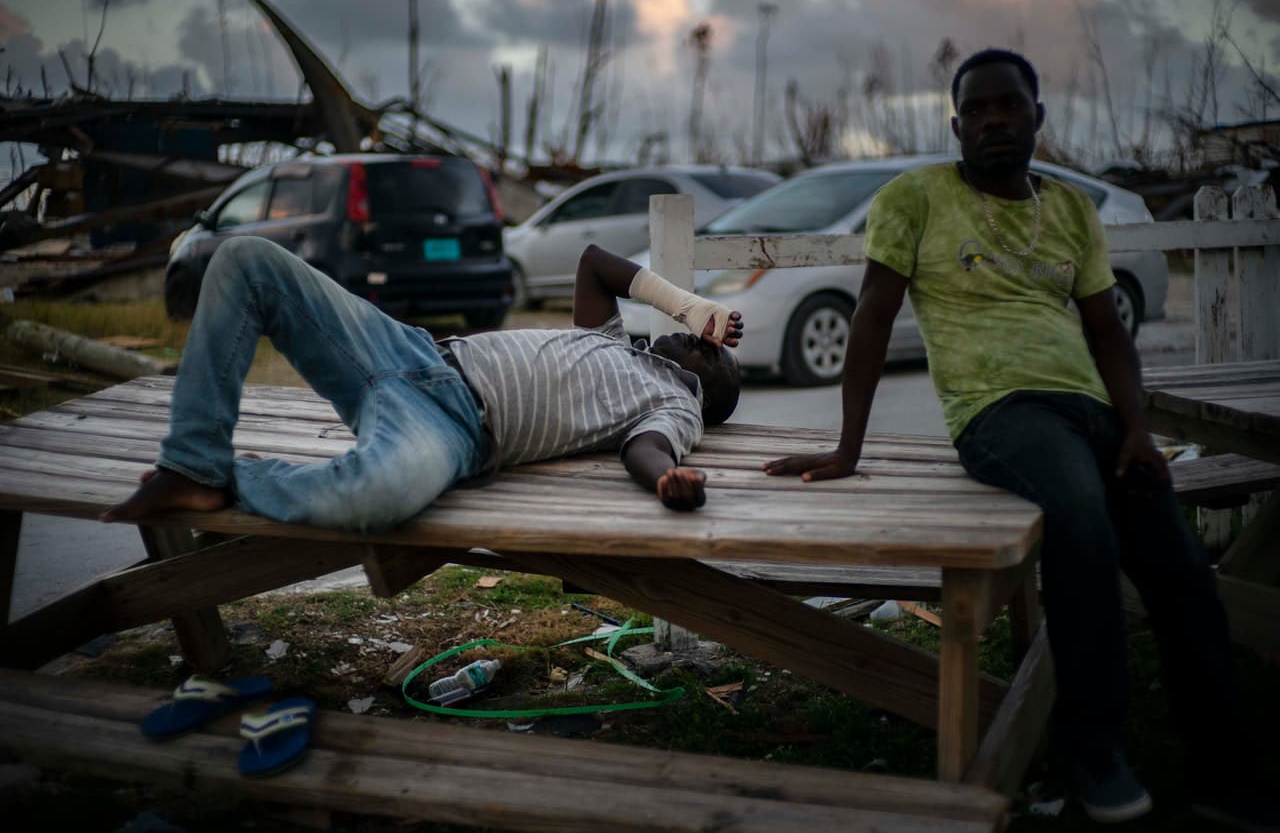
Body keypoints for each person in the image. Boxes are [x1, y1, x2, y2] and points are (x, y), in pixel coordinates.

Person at [764, 49, 1273, 829]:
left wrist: (1137, 430)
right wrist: (847, 448)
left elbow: (1109, 335)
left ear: (1038, 117)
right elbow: (870, 317)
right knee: (1081, 522)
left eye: (1011, 105)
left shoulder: (1071, 210)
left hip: (1094, 411)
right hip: (998, 411)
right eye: (979, 109)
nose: (995, 119)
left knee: (1182, 570)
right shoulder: (916, 198)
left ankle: (1224, 771)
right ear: (957, 124)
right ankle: (1092, 751)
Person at [102, 236, 742, 531]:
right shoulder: (609, 339)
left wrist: (666, 480)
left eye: (713, 354)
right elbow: (594, 263)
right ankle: (191, 463)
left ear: (708, 391)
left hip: (453, 427)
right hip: (407, 349)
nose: (702, 342)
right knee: (246, 261)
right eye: (703, 335)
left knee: (376, 499)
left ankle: (223, 484)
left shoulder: (673, 399)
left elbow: (647, 448)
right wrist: (690, 306)